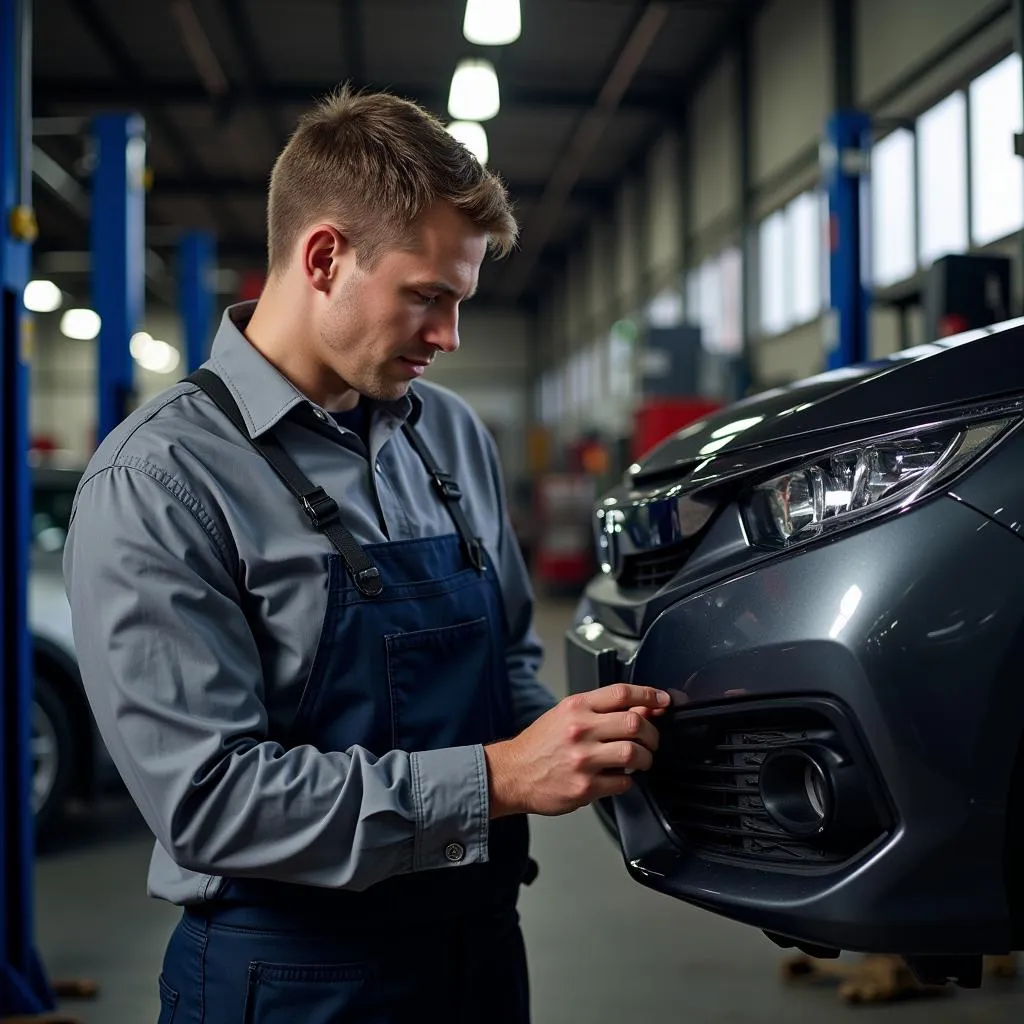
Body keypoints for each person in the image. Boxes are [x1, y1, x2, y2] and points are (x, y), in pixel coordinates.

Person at [64, 86, 669, 1023]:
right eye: (427, 297)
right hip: (293, 980)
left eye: (461, 302)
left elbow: (505, 653)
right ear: (323, 258)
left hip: (476, 949)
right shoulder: (160, 479)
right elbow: (212, 802)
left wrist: (587, 750)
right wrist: (503, 778)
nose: (449, 337)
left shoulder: (452, 433)